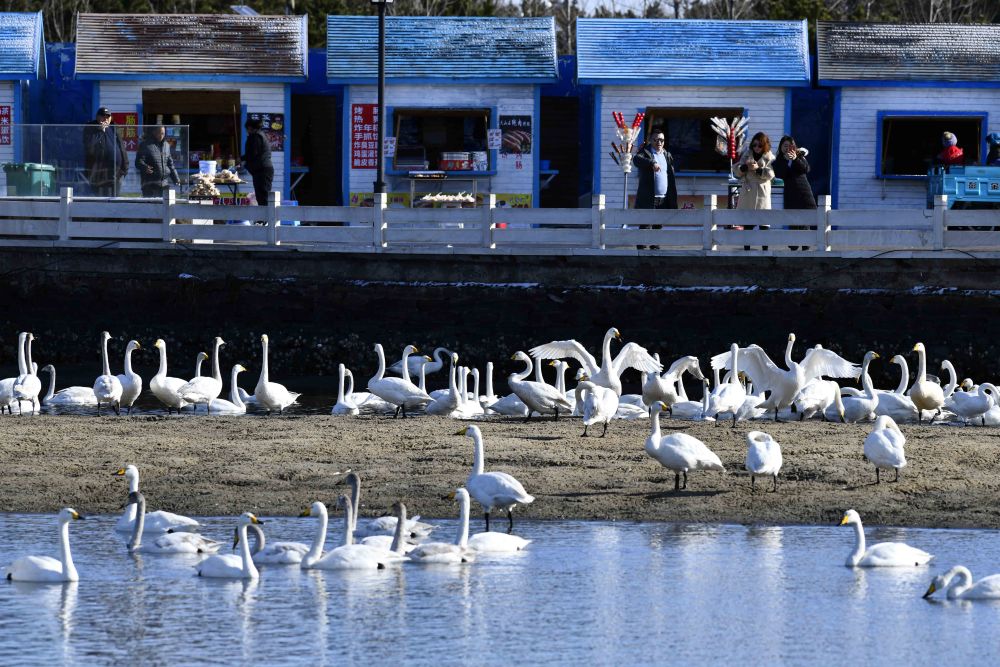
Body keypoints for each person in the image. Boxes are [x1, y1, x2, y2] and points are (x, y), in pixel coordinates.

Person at [632, 130, 677, 249]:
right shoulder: (645, 152)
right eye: (656, 140)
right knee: (646, 223)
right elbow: (636, 160)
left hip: (663, 197)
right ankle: (641, 249)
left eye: (661, 140)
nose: (659, 142)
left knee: (658, 224)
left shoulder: (666, 154)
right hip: (649, 196)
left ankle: (655, 247)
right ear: (651, 141)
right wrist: (652, 163)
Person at [731, 131, 774, 249]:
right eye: (754, 145)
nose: (756, 148)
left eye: (760, 145)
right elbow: (736, 171)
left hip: (762, 191)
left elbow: (771, 174)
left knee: (764, 222)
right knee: (747, 220)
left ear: (764, 145)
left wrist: (757, 169)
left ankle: (765, 249)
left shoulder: (769, 157)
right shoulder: (746, 155)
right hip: (748, 190)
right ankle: (747, 248)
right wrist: (745, 167)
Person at [773, 135, 816, 250]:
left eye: (789, 145)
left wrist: (795, 159)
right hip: (791, 192)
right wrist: (787, 160)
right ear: (781, 147)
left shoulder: (799, 156)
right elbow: (781, 174)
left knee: (806, 218)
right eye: (785, 146)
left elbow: (806, 169)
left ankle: (806, 246)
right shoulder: (779, 160)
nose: (787, 148)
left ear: (794, 146)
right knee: (793, 219)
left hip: (803, 190)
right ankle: (794, 246)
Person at [83, 107, 128, 196]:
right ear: (97, 117)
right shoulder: (90, 128)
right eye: (103, 116)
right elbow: (89, 145)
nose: (105, 118)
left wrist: (125, 168)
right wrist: (100, 130)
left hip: (116, 172)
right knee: (98, 201)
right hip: (97, 173)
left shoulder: (114, 128)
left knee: (114, 200)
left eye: (108, 116)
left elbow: (122, 148)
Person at [135, 126, 180, 198]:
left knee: (164, 207)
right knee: (150, 207)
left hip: (164, 184)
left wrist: (176, 179)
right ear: (154, 133)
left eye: (163, 133)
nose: (161, 135)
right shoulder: (145, 145)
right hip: (150, 184)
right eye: (160, 133)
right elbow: (138, 162)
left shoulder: (166, 145)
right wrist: (145, 167)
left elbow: (170, 165)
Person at [242, 117, 273, 219]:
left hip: (262, 170)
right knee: (263, 195)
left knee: (262, 196)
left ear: (250, 128)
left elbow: (253, 154)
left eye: (247, 129)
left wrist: (242, 160)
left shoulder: (255, 137)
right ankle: (265, 220)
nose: (247, 131)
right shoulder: (261, 135)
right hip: (265, 168)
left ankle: (265, 220)